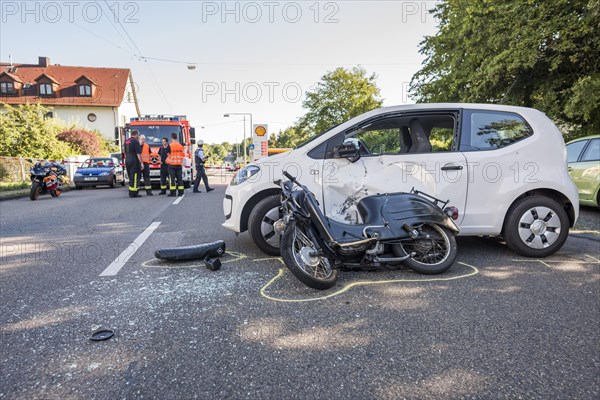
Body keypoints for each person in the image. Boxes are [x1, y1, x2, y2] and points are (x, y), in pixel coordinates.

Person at [125, 129, 143, 198]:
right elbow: (139, 154)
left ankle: (131, 192)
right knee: (135, 177)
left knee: (131, 177)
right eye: (138, 135)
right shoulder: (135, 142)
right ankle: (134, 193)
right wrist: (141, 163)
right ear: (136, 135)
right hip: (134, 161)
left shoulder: (126, 141)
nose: (138, 136)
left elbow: (125, 152)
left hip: (127, 160)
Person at [166, 132, 185, 197]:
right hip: (179, 165)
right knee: (180, 179)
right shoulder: (180, 146)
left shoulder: (170, 145)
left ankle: (173, 193)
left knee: (172, 179)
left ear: (171, 138)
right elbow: (183, 155)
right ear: (176, 138)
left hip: (172, 165)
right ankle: (181, 192)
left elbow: (167, 153)